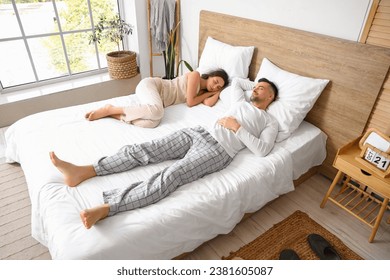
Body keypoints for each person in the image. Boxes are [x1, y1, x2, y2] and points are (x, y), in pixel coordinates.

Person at [50, 76, 279, 229]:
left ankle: (109, 207)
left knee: (171, 176)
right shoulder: (240, 101)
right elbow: (237, 82)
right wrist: (258, 84)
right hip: (197, 132)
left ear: (271, 98)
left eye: (262, 89)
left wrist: (236, 127)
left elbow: (263, 150)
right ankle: (86, 171)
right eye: (256, 86)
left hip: (218, 151)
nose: (256, 89)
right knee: (143, 150)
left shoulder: (269, 121)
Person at [84, 69, 229, 128]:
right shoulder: (196, 75)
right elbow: (190, 102)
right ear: (210, 75)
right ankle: (111, 108)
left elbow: (209, 103)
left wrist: (217, 92)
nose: (215, 86)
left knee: (152, 123)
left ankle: (115, 114)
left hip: (156, 100)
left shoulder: (201, 93)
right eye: (216, 81)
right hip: (152, 86)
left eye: (218, 87)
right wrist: (208, 93)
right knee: (158, 112)